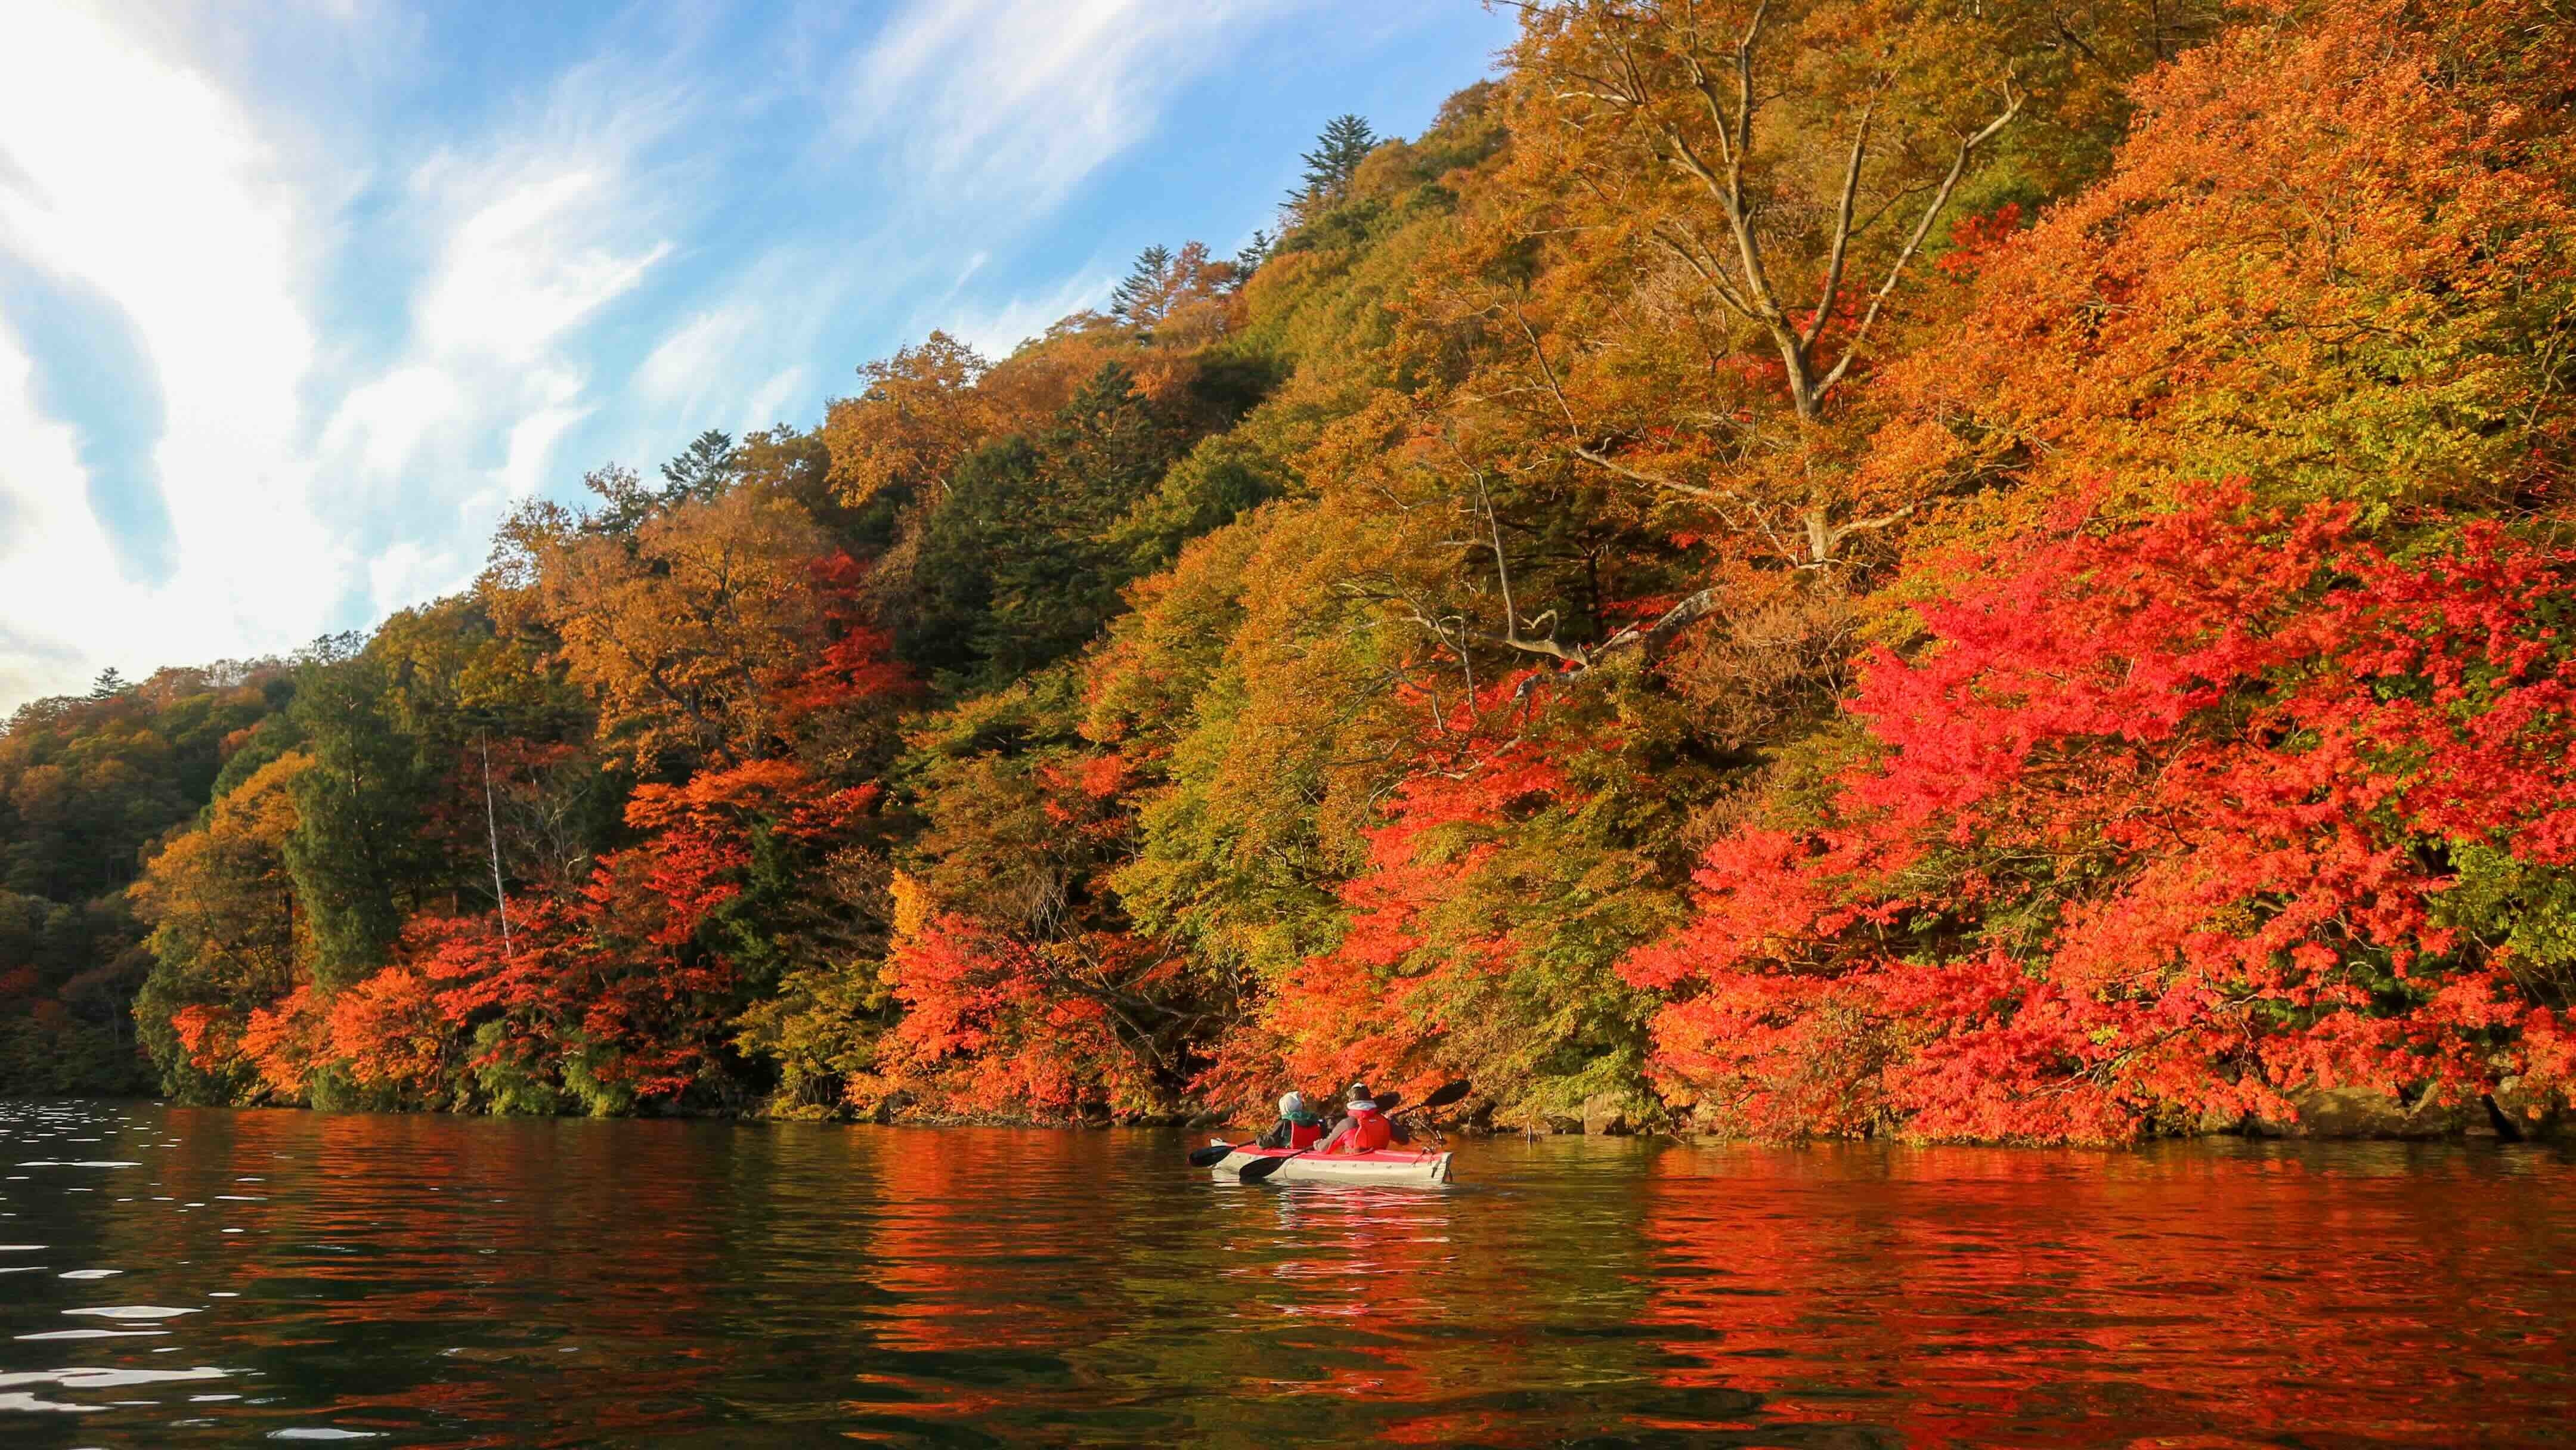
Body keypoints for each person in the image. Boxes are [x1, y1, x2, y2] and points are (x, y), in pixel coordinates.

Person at [1317, 1082, 1393, 1154]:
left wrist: (1317, 1144)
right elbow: (1404, 1139)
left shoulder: (1347, 1124)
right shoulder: (1384, 1121)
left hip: (1355, 1164)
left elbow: (1324, 1148)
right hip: (1381, 1163)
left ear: (1351, 1101)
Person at [1256, 1092, 1326, 1150]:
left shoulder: (1283, 1123)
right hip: (1311, 1151)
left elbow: (1263, 1143)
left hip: (1290, 1152)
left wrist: (1258, 1137)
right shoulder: (1315, 1121)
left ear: (1285, 1108)